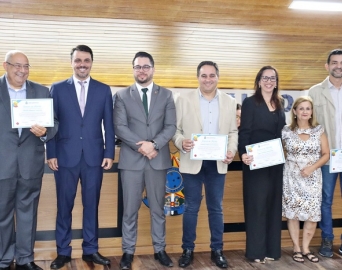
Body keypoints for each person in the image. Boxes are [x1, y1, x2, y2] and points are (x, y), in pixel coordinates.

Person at [46, 45, 115, 269]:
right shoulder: (57, 89)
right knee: (64, 206)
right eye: (78, 60)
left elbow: (109, 124)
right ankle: (63, 251)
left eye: (86, 60)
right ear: (72, 63)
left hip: (94, 158)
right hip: (65, 158)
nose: (82, 64)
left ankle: (91, 250)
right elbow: (51, 123)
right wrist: (51, 152)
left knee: (91, 205)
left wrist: (109, 153)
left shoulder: (104, 90)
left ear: (91, 62)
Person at [114, 51, 176, 270]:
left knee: (158, 208)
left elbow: (170, 126)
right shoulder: (121, 95)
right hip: (132, 161)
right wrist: (143, 146)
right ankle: (128, 252)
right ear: (133, 69)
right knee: (129, 209)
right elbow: (120, 127)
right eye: (138, 67)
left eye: (146, 66)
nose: (142, 70)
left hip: (158, 160)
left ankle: (160, 249)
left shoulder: (167, 95)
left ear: (153, 69)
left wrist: (155, 145)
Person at [172, 61, 238, 269]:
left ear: (218, 77)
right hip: (192, 161)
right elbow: (175, 129)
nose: (208, 79)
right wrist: (181, 142)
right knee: (191, 208)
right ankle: (187, 250)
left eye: (212, 75)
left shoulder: (229, 101)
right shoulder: (183, 99)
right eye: (204, 75)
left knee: (216, 208)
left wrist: (231, 151)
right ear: (198, 77)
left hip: (217, 163)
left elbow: (233, 133)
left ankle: (217, 250)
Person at [0, 50, 58, 270]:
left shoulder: (41, 91)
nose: (22, 71)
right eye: (17, 65)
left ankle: (25, 259)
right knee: (2, 215)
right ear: (5, 66)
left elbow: (54, 125)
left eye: (26, 66)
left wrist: (44, 131)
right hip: (2, 164)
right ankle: (4, 260)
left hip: (29, 166)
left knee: (27, 215)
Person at [238, 66, 286, 263]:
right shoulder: (250, 103)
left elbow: (282, 132)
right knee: (257, 206)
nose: (269, 81)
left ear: (276, 82)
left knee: (274, 205)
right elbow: (244, 132)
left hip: (275, 162)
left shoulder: (280, 103)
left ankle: (272, 250)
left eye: (272, 78)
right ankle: (256, 252)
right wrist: (243, 153)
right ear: (258, 81)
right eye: (265, 78)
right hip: (255, 161)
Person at [282, 96, 329, 263]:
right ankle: (296, 248)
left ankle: (306, 248)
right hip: (291, 178)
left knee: (312, 214)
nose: (304, 111)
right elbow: (278, 152)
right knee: (292, 214)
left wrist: (311, 168)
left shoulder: (318, 130)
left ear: (311, 112)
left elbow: (326, 154)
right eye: (301, 108)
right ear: (294, 111)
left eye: (307, 108)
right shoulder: (286, 131)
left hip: (313, 177)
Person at [309, 48, 342, 258]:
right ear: (327, 66)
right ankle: (327, 240)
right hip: (328, 156)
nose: (339, 66)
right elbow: (308, 125)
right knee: (326, 199)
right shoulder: (314, 92)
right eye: (335, 62)